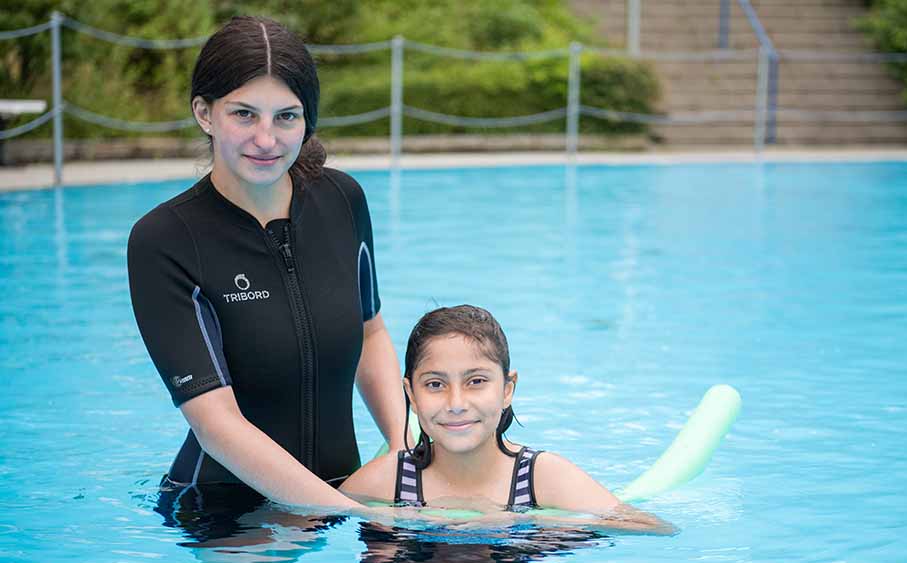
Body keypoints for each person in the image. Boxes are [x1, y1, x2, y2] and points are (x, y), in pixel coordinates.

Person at [127, 16, 405, 510]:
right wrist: (356, 514)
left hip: (346, 493)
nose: (266, 139)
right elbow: (216, 425)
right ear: (204, 113)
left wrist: (404, 449)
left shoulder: (342, 200)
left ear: (308, 120)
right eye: (244, 114)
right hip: (227, 511)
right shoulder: (165, 240)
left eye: (286, 116)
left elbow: (371, 333)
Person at [341, 305, 669, 529]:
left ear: (507, 389)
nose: (456, 403)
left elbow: (653, 528)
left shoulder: (540, 478)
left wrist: (521, 521)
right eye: (436, 384)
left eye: (476, 381)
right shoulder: (387, 482)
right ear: (411, 394)